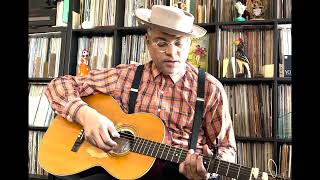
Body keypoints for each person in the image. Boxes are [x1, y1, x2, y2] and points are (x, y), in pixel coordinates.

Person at [45, 5, 236, 180]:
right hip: (125, 169)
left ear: (190, 44)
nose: (172, 52)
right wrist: (86, 115)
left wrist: (208, 170)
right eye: (162, 43)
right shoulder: (125, 76)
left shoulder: (210, 88)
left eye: (179, 43)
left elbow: (227, 149)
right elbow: (58, 86)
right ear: (147, 41)